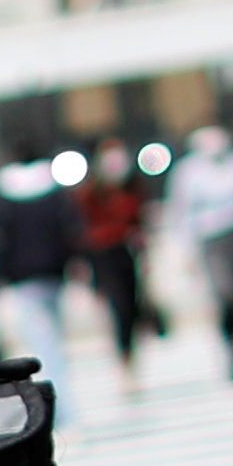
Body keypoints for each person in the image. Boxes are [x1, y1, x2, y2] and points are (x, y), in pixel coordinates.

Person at [0, 161, 80, 420]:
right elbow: (68, 231)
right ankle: (61, 407)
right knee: (53, 343)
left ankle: (60, 411)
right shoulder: (52, 194)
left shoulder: (6, 200)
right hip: (53, 275)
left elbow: (1, 243)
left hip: (25, 280)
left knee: (44, 346)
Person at [166, 122, 233, 381]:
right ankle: (229, 348)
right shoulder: (188, 172)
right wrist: (185, 251)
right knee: (225, 295)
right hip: (211, 240)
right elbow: (181, 212)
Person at [75, 146, 157, 400]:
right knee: (117, 309)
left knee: (128, 310)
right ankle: (122, 360)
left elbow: (138, 222)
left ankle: (127, 360)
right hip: (101, 256)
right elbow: (79, 226)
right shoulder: (89, 194)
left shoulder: (130, 192)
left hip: (124, 253)